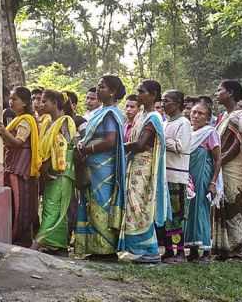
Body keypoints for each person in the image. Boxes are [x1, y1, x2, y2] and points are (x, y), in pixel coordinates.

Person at [74, 75, 127, 260]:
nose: (98, 90)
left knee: (101, 203)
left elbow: (110, 140)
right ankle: (95, 248)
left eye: (102, 87)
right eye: (98, 86)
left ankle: (106, 250)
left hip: (104, 166)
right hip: (92, 164)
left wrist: (88, 149)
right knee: (90, 203)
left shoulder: (111, 113)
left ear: (112, 92)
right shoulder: (98, 112)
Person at [119, 80, 170, 263]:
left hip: (144, 167)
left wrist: (119, 147)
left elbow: (141, 144)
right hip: (135, 166)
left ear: (153, 94)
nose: (138, 94)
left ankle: (149, 250)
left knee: (140, 206)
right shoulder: (141, 115)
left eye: (142, 91)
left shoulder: (153, 117)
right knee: (133, 205)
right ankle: (138, 249)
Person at [0, 87, 41, 247]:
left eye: (15, 99)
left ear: (25, 103)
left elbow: (18, 142)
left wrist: (3, 132)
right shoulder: (19, 118)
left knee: (21, 203)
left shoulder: (26, 120)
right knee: (18, 202)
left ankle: (20, 237)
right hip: (15, 165)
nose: (11, 102)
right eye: (11, 99)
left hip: (20, 167)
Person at [212, 80, 242, 261]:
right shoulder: (224, 116)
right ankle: (226, 248)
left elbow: (237, 145)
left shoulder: (239, 116)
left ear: (229, 93)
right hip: (222, 166)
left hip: (232, 167)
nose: (216, 93)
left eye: (219, 90)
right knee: (223, 205)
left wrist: (220, 161)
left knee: (235, 204)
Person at [34, 89, 77, 254]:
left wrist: (51, 166)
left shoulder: (65, 121)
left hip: (61, 171)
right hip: (48, 171)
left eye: (45, 101)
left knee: (53, 207)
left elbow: (67, 147)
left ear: (55, 103)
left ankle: (37, 244)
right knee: (50, 207)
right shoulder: (47, 122)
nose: (41, 104)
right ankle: (56, 245)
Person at [185, 101, 221, 263]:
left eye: (201, 113)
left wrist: (213, 182)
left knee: (201, 208)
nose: (196, 116)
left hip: (203, 175)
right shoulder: (187, 133)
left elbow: (217, 159)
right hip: (189, 175)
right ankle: (193, 249)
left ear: (207, 118)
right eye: (194, 112)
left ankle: (206, 251)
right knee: (190, 209)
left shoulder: (210, 133)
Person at [161, 89, 192, 262]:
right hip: (164, 175)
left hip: (177, 176)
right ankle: (168, 250)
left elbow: (182, 146)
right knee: (167, 216)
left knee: (177, 215)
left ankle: (179, 251)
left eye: (168, 101)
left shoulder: (184, 123)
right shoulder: (165, 123)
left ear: (178, 104)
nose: (164, 104)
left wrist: (162, 139)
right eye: (163, 101)